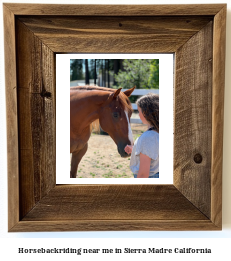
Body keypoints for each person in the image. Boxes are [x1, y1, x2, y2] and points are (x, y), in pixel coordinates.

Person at [125, 93, 159, 178]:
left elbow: (143, 174)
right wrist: (136, 149)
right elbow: (154, 152)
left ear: (145, 113)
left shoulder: (148, 137)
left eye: (139, 111)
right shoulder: (158, 132)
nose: (138, 114)